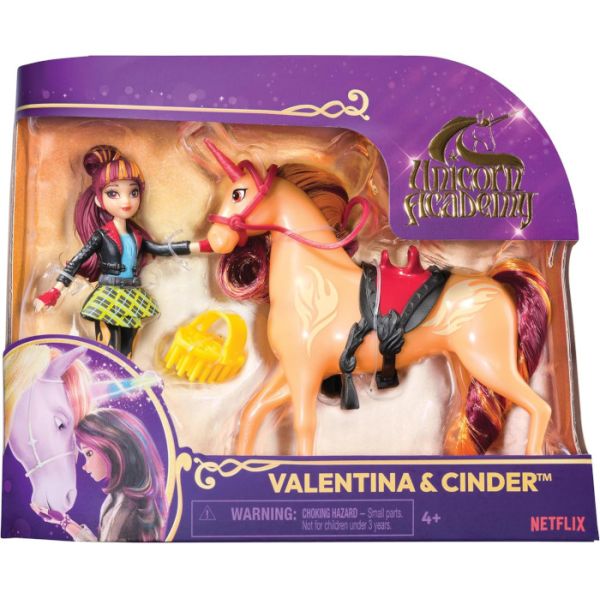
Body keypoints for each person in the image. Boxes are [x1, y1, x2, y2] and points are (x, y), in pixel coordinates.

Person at [34, 145, 204, 356]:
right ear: (99, 200)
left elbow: (161, 249)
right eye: (113, 193)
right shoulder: (102, 235)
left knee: (128, 345)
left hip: (132, 293)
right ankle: (106, 371)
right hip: (109, 292)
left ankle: (126, 374)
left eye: (133, 192)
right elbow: (77, 261)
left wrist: (202, 246)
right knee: (110, 344)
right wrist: (54, 292)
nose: (126, 201)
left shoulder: (136, 235)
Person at [58, 408, 167, 542]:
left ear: (113, 448)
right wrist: (64, 522)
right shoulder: (118, 498)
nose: (84, 466)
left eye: (89, 453)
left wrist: (65, 522)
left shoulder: (126, 510)